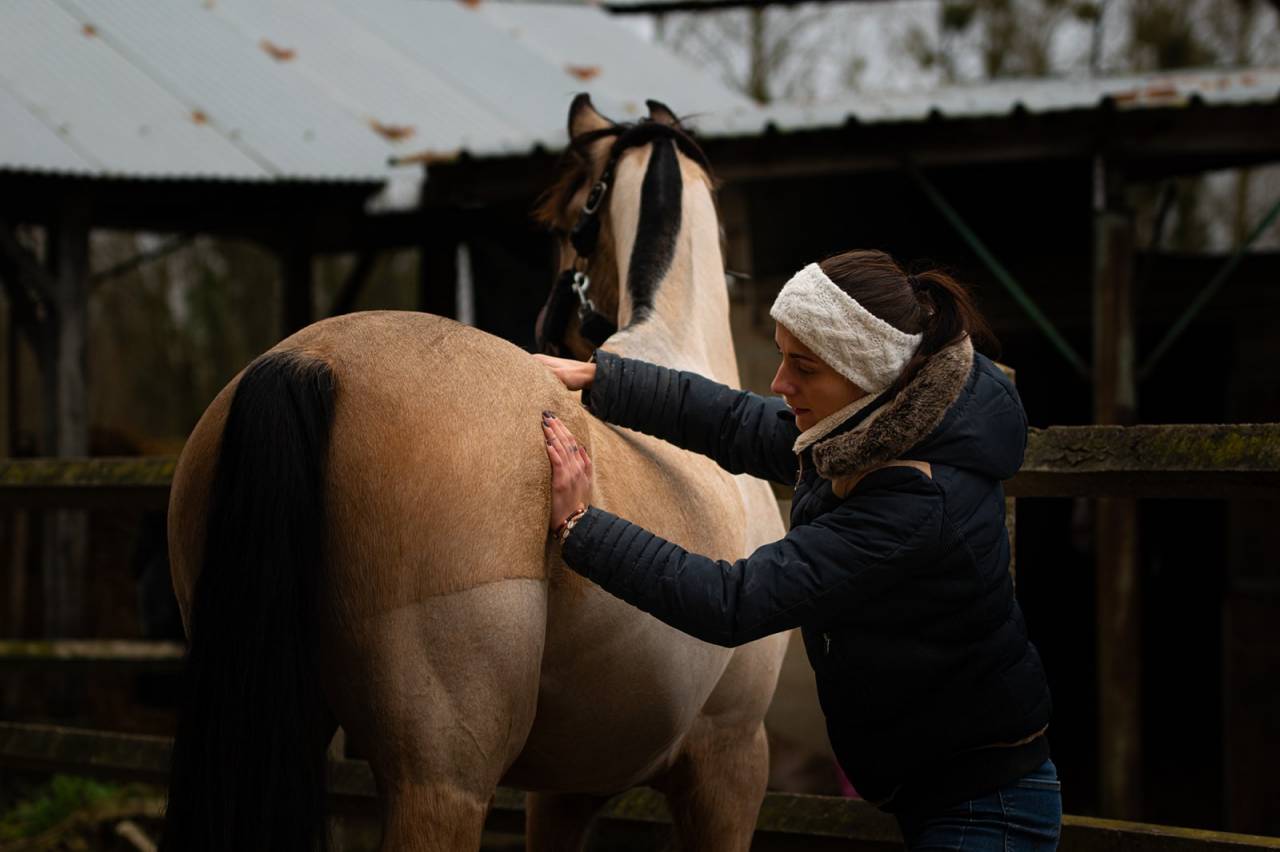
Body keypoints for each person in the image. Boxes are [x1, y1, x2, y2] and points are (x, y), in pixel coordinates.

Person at [533, 249, 1060, 851]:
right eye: (781, 356)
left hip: (985, 808)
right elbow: (737, 423)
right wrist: (604, 380)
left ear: (865, 372)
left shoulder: (914, 504)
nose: (780, 384)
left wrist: (582, 525)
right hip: (937, 785)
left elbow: (733, 601)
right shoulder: (876, 423)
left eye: (803, 367)